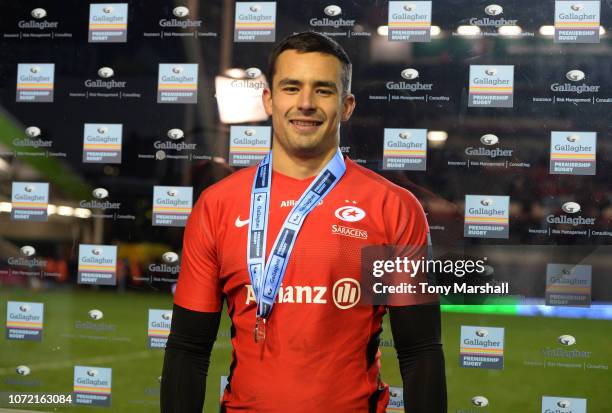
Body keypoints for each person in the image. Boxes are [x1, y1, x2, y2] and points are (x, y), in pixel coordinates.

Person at [161, 32, 447, 413]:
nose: (306, 103)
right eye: (291, 87)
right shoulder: (218, 205)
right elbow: (188, 348)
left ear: (346, 106)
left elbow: (419, 351)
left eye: (323, 91)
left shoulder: (392, 208)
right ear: (269, 99)